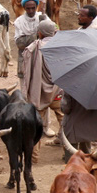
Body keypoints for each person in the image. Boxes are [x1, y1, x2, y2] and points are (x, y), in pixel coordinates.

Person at [22, 19, 62, 163]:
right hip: (59, 93)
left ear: (39, 33)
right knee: (64, 121)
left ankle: (33, 158)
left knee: (36, 125)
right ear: (54, 32)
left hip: (39, 94)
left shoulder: (33, 48)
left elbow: (26, 70)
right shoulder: (61, 47)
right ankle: (68, 153)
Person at [61, 91, 97, 162]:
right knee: (86, 153)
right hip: (88, 126)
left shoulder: (71, 88)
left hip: (73, 126)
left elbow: (66, 109)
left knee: (71, 158)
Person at [14, 0, 41, 78]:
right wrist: (36, 36)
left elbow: (54, 29)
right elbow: (19, 43)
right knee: (25, 88)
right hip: (24, 60)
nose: (31, 11)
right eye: (28, 8)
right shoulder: (19, 22)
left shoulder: (42, 17)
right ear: (24, 8)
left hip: (40, 60)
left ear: (36, 6)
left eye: (33, 8)